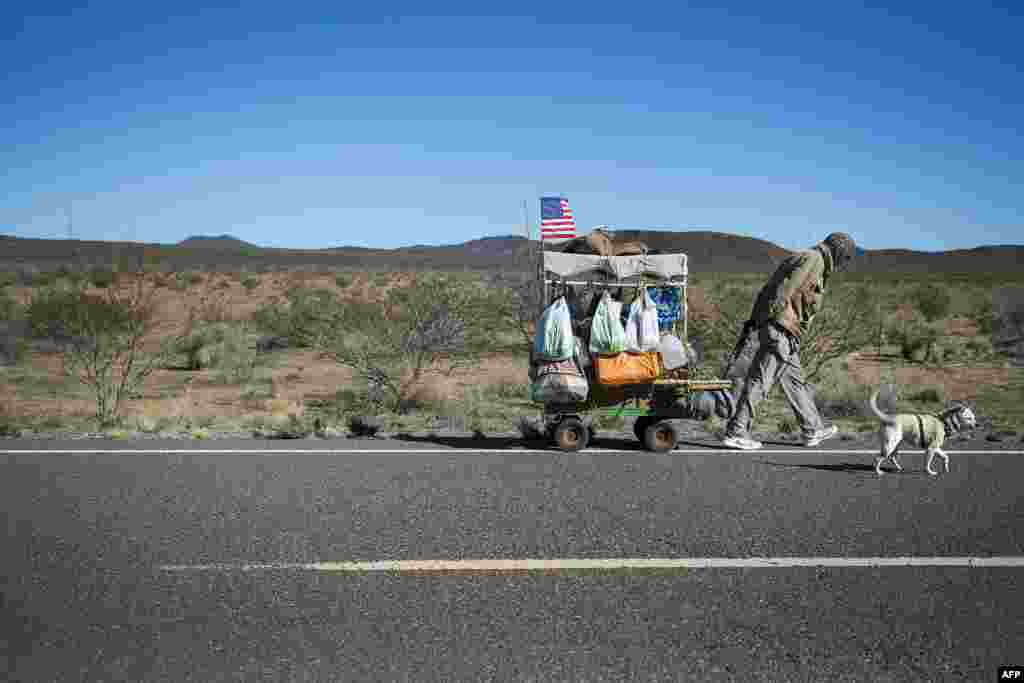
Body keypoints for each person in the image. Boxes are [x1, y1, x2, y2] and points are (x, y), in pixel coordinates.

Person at [719, 232, 857, 450]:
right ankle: (737, 431)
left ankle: (812, 429)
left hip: (784, 331)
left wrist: (760, 320)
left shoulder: (810, 258)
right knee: (760, 381)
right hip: (781, 330)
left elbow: (770, 289)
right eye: (845, 257)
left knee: (794, 382)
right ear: (839, 250)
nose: (843, 262)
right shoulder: (815, 260)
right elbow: (786, 289)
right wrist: (774, 318)